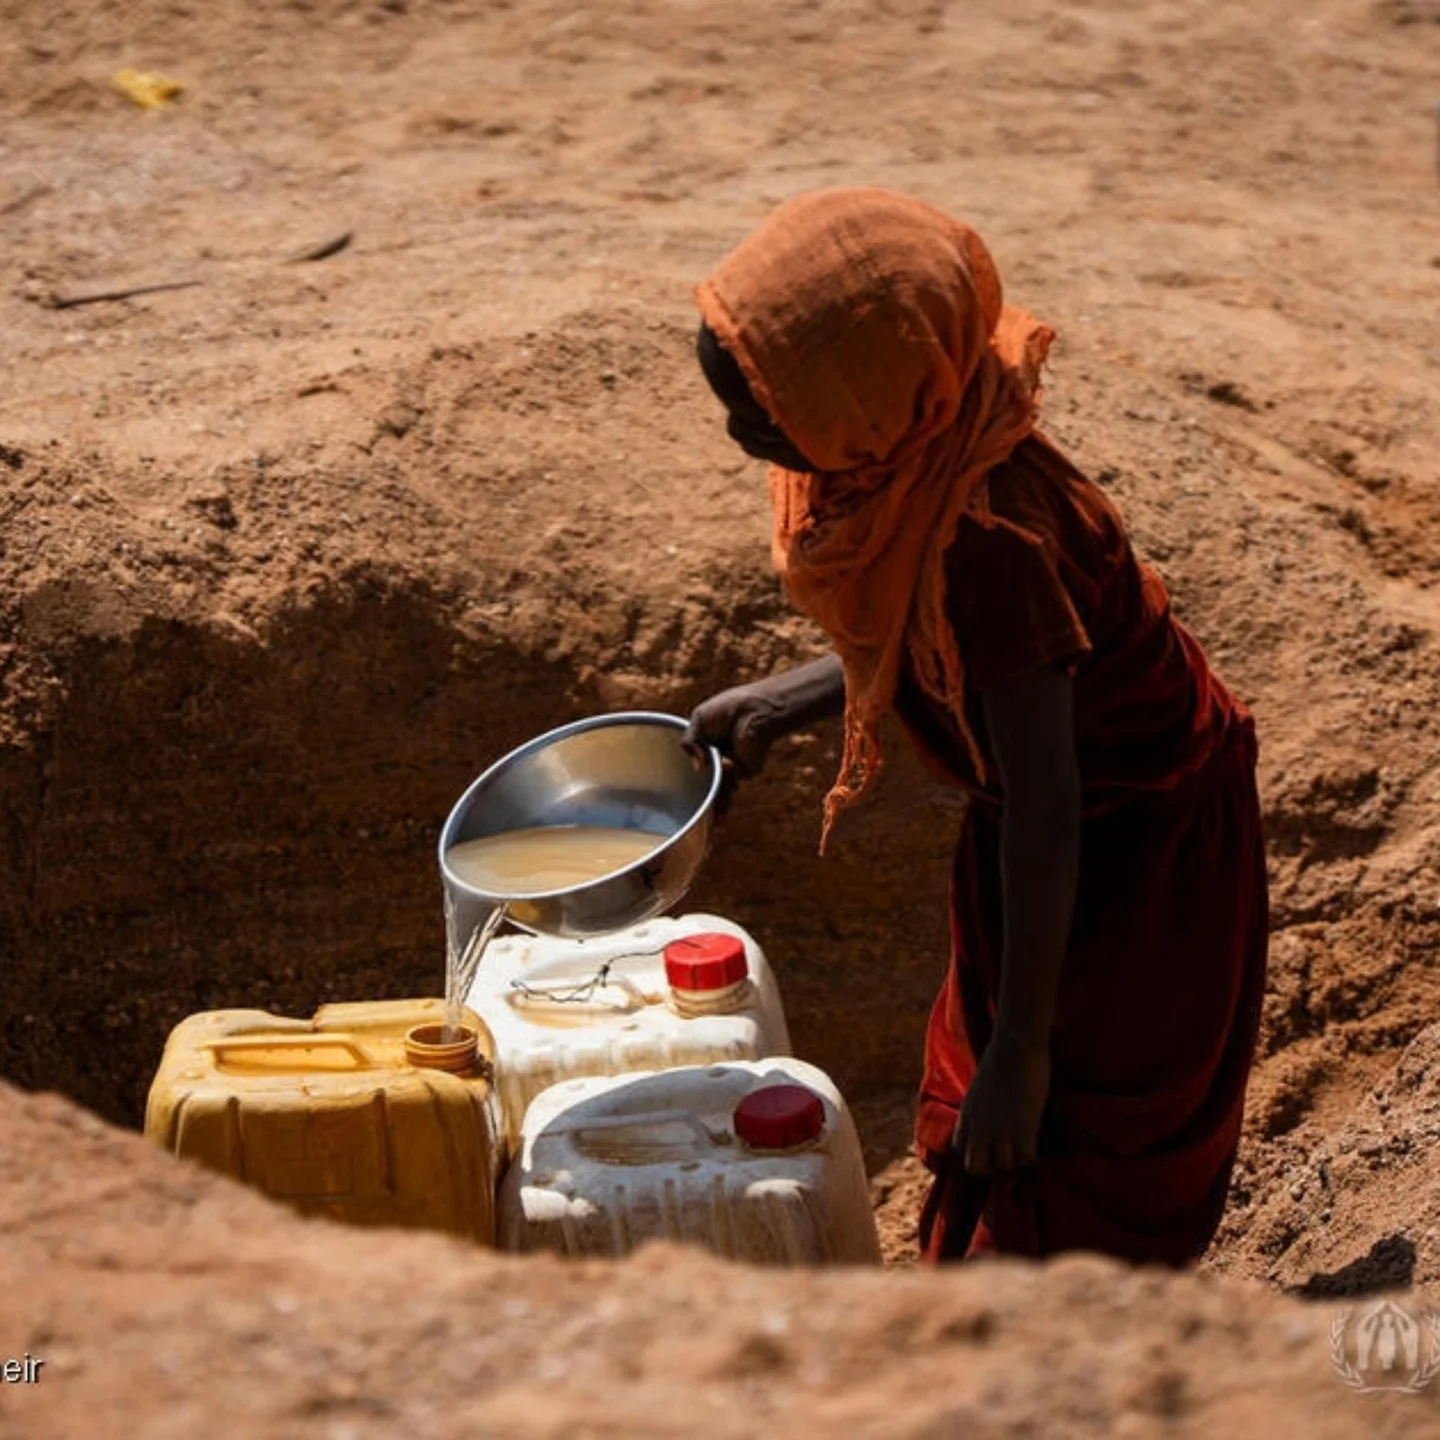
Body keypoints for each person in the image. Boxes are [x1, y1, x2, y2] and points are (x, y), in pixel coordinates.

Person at [681, 186, 1269, 1266]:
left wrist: (1022, 1052)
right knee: (998, 1142)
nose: (747, 441)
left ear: (869, 401)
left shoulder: (986, 538)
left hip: (1128, 860)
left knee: (1059, 1168)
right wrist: (784, 698)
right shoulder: (937, 440)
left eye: (769, 419)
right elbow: (938, 643)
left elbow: (1049, 803)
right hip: (1045, 845)